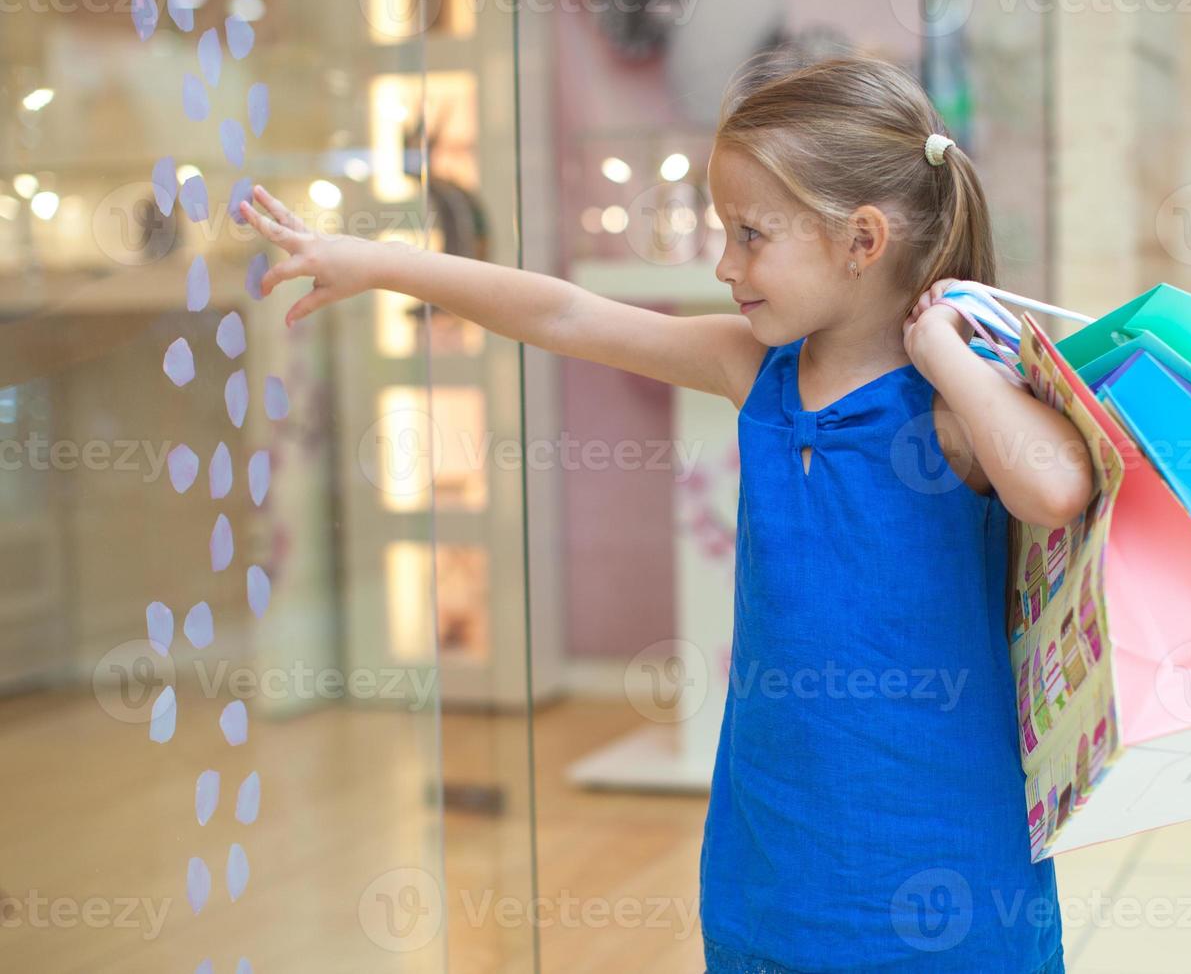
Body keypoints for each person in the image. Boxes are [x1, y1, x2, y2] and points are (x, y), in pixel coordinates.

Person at [238, 51, 1089, 974]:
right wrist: (382, 263)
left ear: (863, 240)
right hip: (771, 854)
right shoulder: (755, 373)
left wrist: (949, 357)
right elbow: (566, 317)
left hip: (941, 858)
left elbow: (1054, 486)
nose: (724, 264)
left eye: (750, 234)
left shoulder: (952, 405)